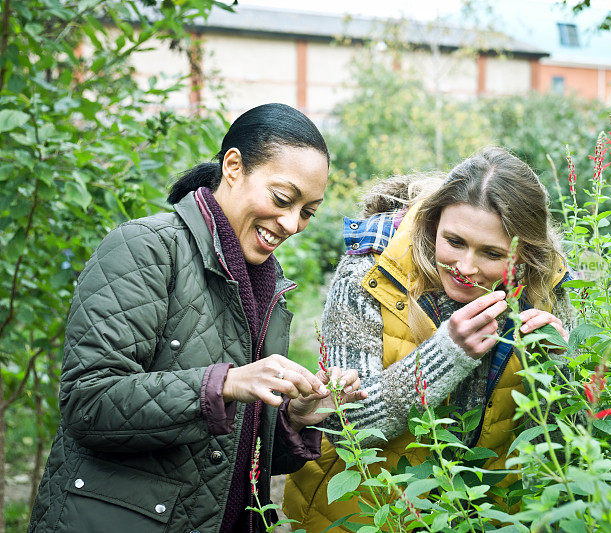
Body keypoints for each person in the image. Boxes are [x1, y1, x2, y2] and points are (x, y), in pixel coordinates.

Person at [28, 103, 365, 533]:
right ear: (233, 166)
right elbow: (87, 402)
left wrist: (294, 416)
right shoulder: (145, 248)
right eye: (283, 199)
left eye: (308, 212)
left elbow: (233, 452)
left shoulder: (267, 287)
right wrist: (225, 383)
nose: (292, 223)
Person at [283, 146, 575, 531]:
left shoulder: (545, 288)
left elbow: (567, 442)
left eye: (491, 253)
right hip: (363, 512)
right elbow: (343, 424)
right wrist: (447, 354)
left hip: (477, 513)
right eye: (454, 241)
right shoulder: (369, 273)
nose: (466, 268)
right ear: (434, 222)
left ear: (524, 254)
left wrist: (561, 366)